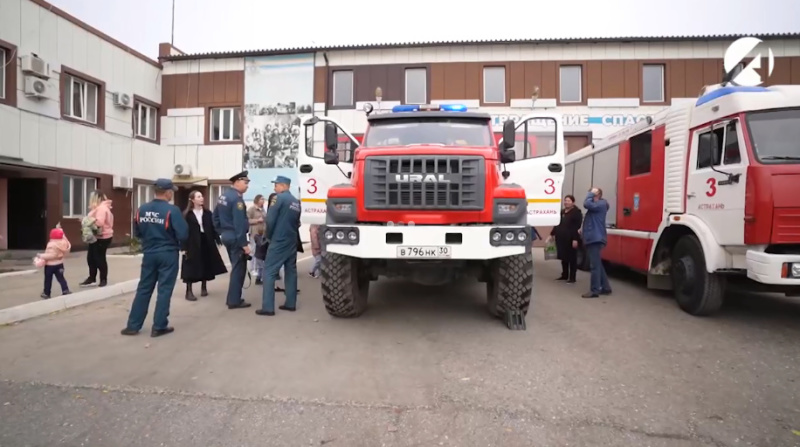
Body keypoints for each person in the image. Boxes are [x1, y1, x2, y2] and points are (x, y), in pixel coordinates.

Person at [121, 179, 189, 337]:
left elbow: (137, 232)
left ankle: (133, 326)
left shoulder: (142, 209)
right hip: (168, 253)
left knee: (144, 289)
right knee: (164, 290)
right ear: (168, 192)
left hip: (149, 253)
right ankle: (159, 326)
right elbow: (183, 234)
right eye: (172, 191)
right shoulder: (172, 210)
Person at [257, 175, 301, 316]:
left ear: (282, 186)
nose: (274, 187)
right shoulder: (296, 202)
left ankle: (268, 307)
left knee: (269, 271)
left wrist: (267, 237)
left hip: (279, 240)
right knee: (291, 271)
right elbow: (296, 222)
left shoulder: (278, 198)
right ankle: (290, 303)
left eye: (276, 185)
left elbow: (270, 220)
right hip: (291, 240)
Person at [213, 170, 252, 310]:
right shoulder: (237, 199)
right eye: (245, 182)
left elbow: (215, 217)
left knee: (236, 267)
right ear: (236, 182)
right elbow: (239, 224)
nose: (247, 186)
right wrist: (244, 244)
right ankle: (234, 300)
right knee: (238, 269)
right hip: (236, 237)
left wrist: (221, 231)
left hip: (227, 236)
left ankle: (232, 298)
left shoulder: (223, 196)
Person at [181, 190, 228, 301]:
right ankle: (189, 291)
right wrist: (183, 247)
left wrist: (217, 240)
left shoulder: (207, 213)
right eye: (198, 196)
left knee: (205, 262)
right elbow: (183, 231)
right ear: (192, 200)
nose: (201, 198)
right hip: (192, 242)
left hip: (206, 240)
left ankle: (204, 287)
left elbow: (212, 227)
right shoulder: (187, 214)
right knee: (190, 265)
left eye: (202, 196)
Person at [581, 187, 612, 298]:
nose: (589, 194)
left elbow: (586, 204)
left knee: (594, 266)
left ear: (597, 195)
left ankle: (595, 290)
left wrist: (590, 195)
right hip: (593, 237)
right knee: (597, 264)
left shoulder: (601, 204)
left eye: (592, 193)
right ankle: (605, 287)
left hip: (595, 238)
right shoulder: (597, 206)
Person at [80, 191, 114, 288]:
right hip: (96, 237)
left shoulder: (101, 209)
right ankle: (92, 278)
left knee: (99, 258)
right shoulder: (100, 208)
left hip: (102, 237)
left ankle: (103, 279)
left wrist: (86, 221)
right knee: (91, 258)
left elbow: (99, 223)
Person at [551, 194, 583, 284]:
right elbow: (557, 224)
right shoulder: (562, 212)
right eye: (565, 200)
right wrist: (552, 234)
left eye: (569, 201)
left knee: (572, 258)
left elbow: (577, 227)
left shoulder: (577, 212)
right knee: (563, 257)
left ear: (573, 202)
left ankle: (572, 277)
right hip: (561, 238)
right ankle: (564, 275)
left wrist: (575, 239)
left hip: (571, 239)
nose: (566, 202)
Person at [36, 227, 72, 299]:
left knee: (48, 279)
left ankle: (47, 293)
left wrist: (41, 256)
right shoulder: (64, 243)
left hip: (50, 265)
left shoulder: (51, 244)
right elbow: (67, 243)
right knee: (61, 278)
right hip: (60, 264)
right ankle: (65, 289)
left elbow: (52, 255)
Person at [247, 194, 267, 284]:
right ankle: (253, 269)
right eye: (261, 199)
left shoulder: (263, 210)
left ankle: (259, 270)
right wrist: (257, 221)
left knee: (260, 252)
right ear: (257, 200)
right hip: (254, 233)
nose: (263, 201)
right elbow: (247, 220)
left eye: (264, 199)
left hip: (262, 234)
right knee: (254, 251)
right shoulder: (251, 209)